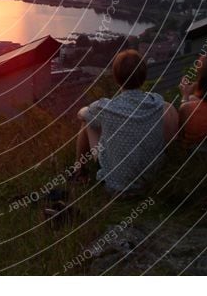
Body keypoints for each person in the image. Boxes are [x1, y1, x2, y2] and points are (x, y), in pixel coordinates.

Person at [74, 49, 177, 194]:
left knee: (87, 122)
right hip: (151, 181)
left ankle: (79, 172)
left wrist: (87, 111)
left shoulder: (105, 107)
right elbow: (167, 109)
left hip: (115, 186)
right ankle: (166, 159)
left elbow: (81, 114)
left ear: (116, 78)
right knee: (168, 109)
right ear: (143, 77)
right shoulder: (157, 102)